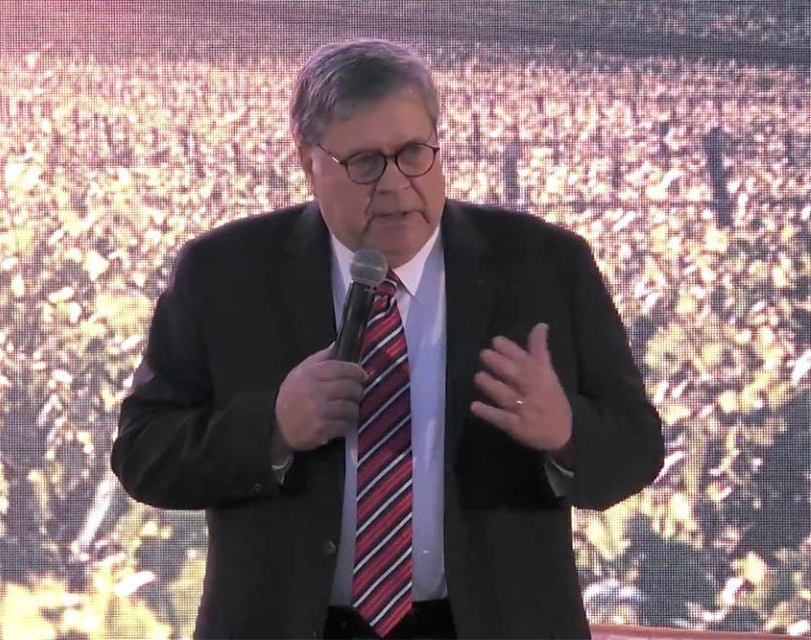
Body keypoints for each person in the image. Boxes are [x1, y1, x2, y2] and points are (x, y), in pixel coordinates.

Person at [111, 39, 664, 639]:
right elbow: (144, 454)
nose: (397, 184)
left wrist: (567, 433)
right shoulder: (224, 274)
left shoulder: (545, 266)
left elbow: (637, 449)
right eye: (366, 163)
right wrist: (271, 427)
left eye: (413, 153)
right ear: (308, 160)